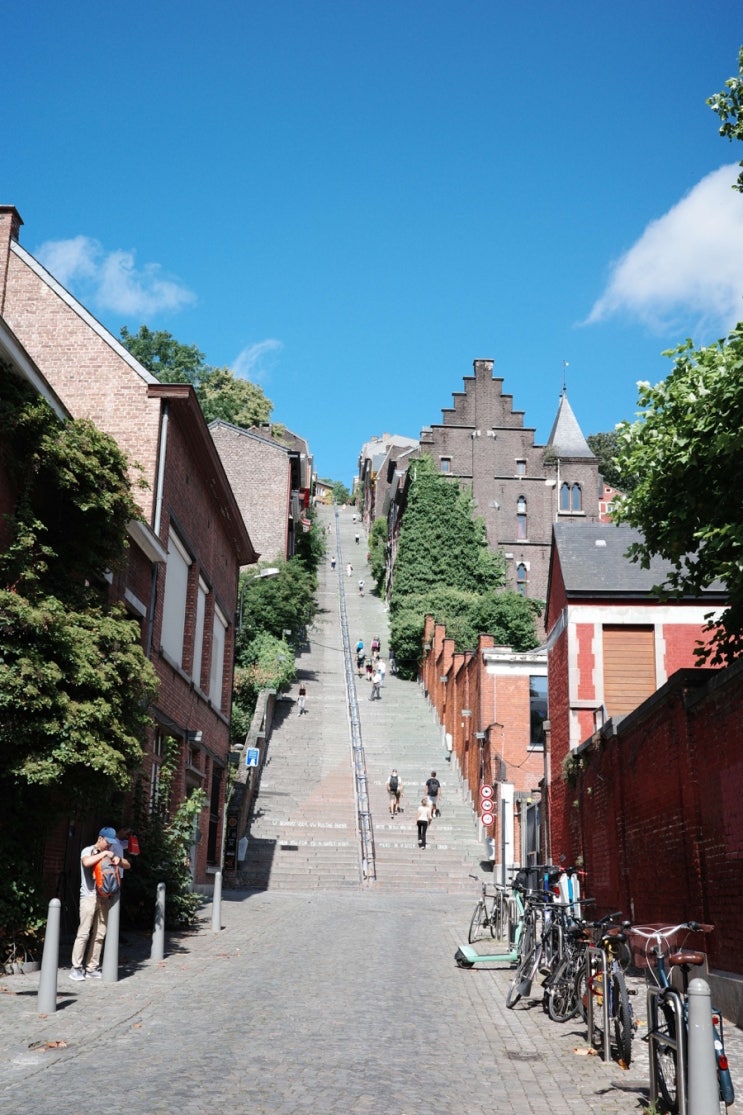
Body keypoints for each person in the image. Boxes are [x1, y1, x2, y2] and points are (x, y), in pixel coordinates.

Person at [69, 826, 129, 981]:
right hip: (88, 897)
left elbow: (128, 865)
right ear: (100, 838)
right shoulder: (88, 850)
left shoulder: (111, 852)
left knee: (100, 934)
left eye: (111, 843)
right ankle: (76, 968)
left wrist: (119, 860)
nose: (109, 845)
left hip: (103, 898)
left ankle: (92, 968)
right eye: (107, 842)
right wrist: (103, 854)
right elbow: (86, 862)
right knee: (84, 933)